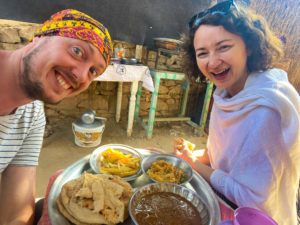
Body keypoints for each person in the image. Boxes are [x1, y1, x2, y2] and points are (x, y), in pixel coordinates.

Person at [174, 1, 300, 225]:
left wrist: (195, 165)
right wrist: (197, 155)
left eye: (223, 47)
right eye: (202, 53)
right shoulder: (227, 94)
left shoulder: (267, 109)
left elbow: (253, 201)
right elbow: (231, 157)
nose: (213, 62)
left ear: (249, 46)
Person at [0, 9, 113, 225]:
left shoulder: (33, 115)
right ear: (41, 36)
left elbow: (15, 211)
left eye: (92, 72)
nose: (80, 76)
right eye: (77, 51)